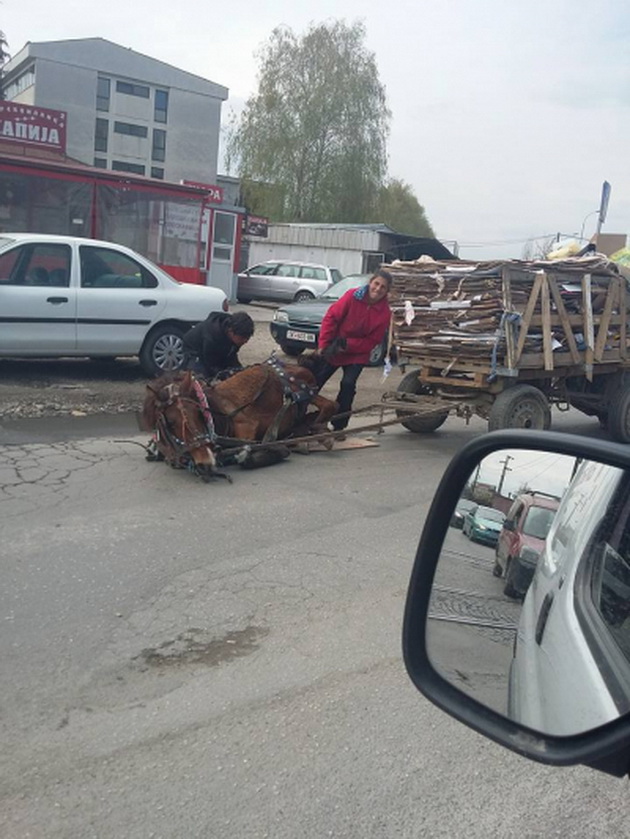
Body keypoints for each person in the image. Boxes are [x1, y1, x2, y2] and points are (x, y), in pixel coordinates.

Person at [316, 269, 393, 432]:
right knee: (315, 381)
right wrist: (324, 344)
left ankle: (339, 426)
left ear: (387, 291)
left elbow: (373, 340)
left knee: (348, 384)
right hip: (335, 345)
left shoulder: (385, 313)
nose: (378, 289)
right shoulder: (352, 296)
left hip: (357, 352)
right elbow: (331, 317)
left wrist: (349, 345)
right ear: (370, 282)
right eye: (376, 284)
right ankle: (301, 419)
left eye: (383, 287)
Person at [182, 311, 255, 380]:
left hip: (216, 351)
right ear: (231, 331)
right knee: (202, 377)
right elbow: (211, 364)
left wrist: (239, 370)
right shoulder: (211, 337)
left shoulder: (235, 335)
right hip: (194, 350)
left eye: (247, 338)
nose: (245, 341)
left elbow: (231, 355)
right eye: (242, 338)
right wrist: (223, 375)